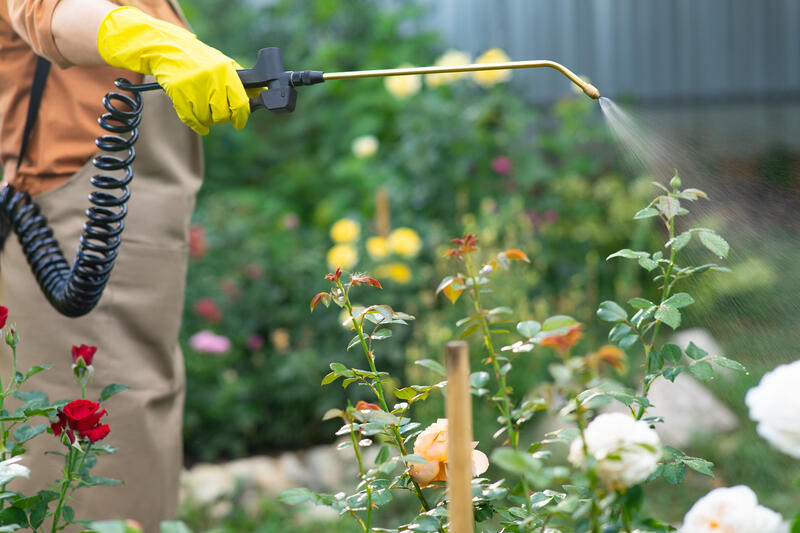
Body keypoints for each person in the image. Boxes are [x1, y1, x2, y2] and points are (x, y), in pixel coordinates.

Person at [0, 0, 254, 528]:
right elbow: (53, 15)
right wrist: (149, 39)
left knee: (139, 407)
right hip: (70, 212)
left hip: (126, 212)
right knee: (83, 431)